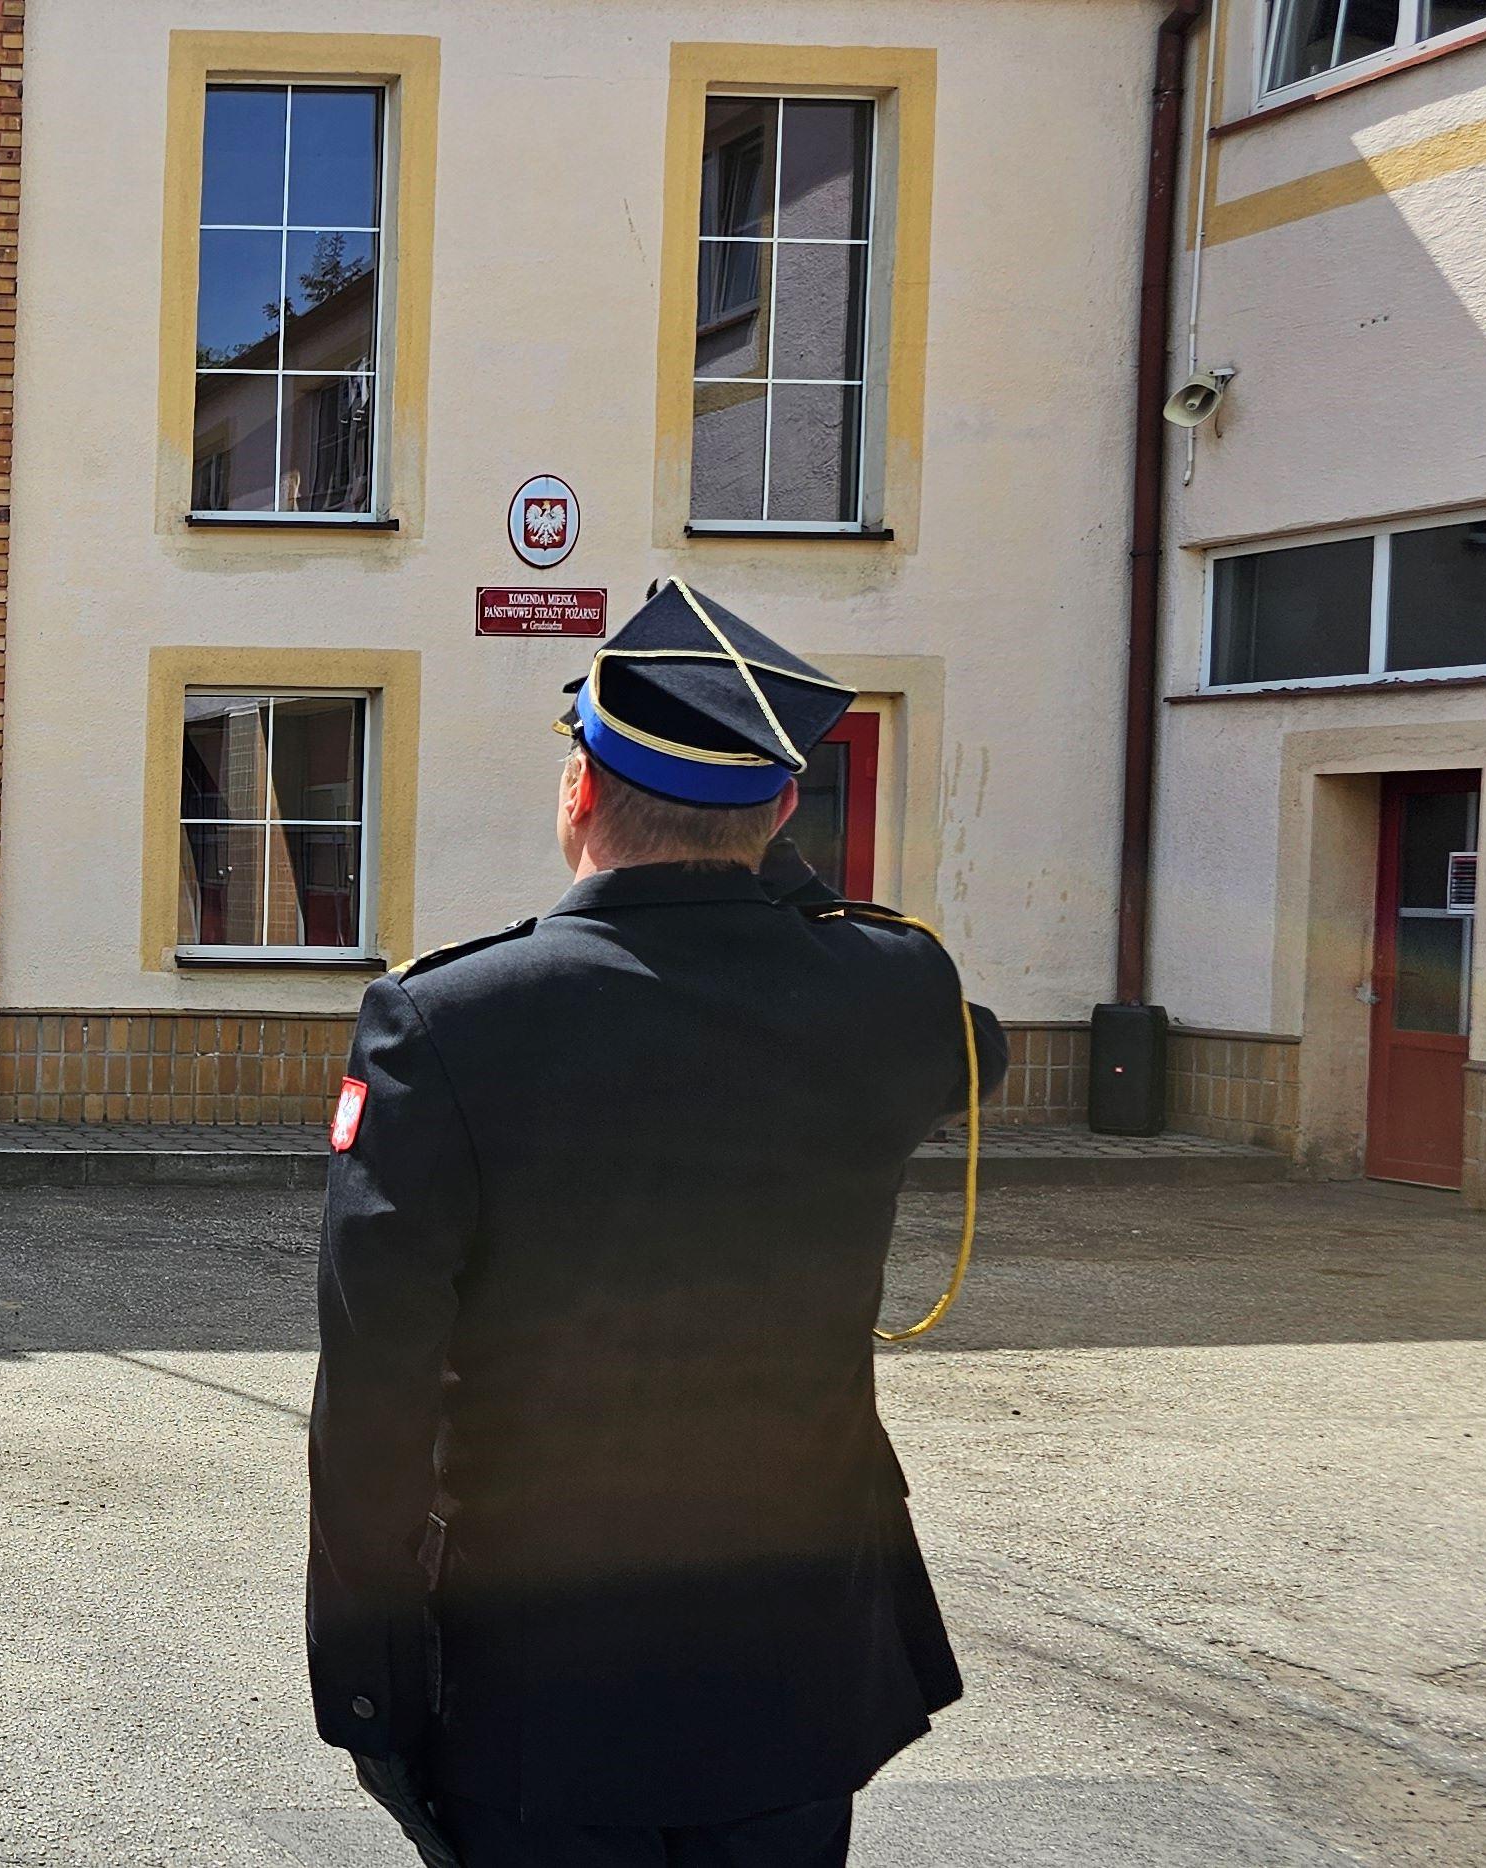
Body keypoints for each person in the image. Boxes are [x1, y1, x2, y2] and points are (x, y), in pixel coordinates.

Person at [307, 582, 1007, 1868]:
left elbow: (375, 1385)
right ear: (783, 809)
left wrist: (367, 1683)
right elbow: (975, 1045)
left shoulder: (448, 1021)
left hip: (540, 1683)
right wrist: (766, 860)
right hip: (795, 1661)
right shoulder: (894, 991)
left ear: (578, 788)